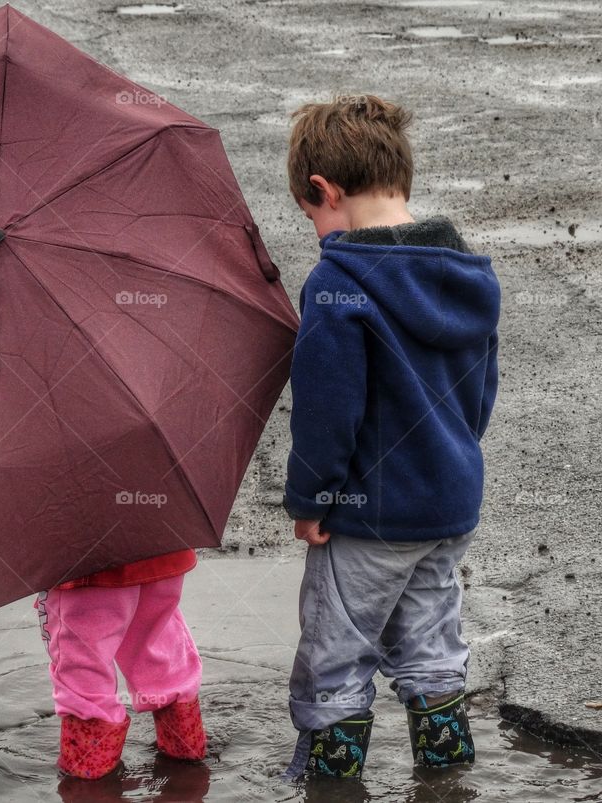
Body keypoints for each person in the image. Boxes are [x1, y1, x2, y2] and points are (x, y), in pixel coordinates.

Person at [279, 94, 500, 778]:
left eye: (312, 214)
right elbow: (480, 395)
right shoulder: (466, 273)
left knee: (337, 654)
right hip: (449, 505)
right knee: (433, 643)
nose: (317, 229)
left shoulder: (337, 283)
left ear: (325, 189)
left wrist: (312, 500)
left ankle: (333, 784)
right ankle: (446, 774)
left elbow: (327, 411)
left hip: (369, 516)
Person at [35, 548, 207, 779]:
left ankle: (88, 783)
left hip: (85, 565)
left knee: (85, 684)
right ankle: (187, 765)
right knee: (161, 660)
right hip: (163, 546)